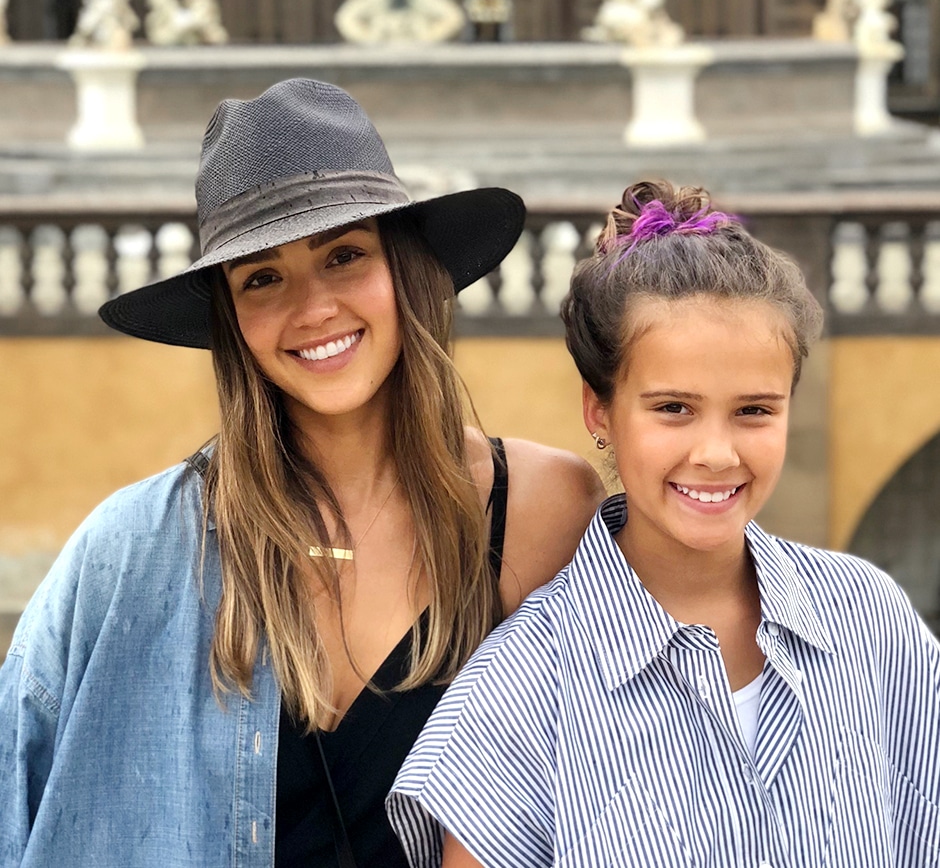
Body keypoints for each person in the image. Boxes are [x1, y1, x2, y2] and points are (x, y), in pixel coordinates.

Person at [0, 79, 604, 867]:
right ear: (231, 316)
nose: (313, 308)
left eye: (344, 255)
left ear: (406, 270)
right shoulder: (134, 549)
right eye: (262, 277)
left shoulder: (544, 508)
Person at [388, 180, 940, 867]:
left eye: (755, 410)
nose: (715, 453)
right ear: (600, 413)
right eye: (674, 408)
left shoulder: (871, 623)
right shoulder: (523, 690)